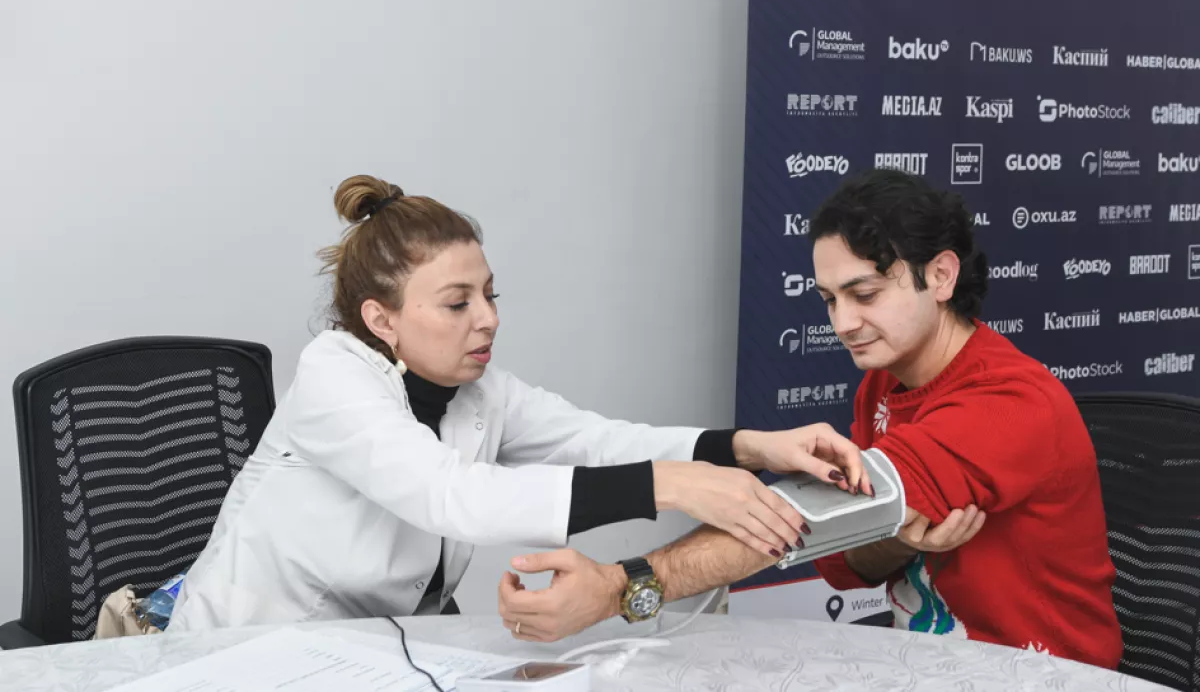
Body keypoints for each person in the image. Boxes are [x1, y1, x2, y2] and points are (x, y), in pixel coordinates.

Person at [166, 175, 868, 631]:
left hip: (380, 652)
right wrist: (674, 485)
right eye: (458, 303)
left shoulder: (478, 391)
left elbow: (597, 441)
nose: (488, 318)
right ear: (381, 320)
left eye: (490, 294)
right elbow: (453, 497)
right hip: (246, 655)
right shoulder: (333, 379)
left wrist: (750, 446)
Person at [498, 170, 1123, 670]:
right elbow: (846, 560)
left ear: (940, 275)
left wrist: (618, 587)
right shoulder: (883, 382)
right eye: (829, 299)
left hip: (1040, 674)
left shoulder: (1007, 401)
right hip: (927, 663)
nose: (843, 323)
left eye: (865, 293)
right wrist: (899, 537)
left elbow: (806, 523)